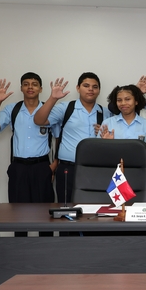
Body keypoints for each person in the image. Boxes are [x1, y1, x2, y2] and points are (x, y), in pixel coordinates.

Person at [34, 72, 110, 204]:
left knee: (94, 206)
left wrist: (104, 135)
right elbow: (39, 120)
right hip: (68, 168)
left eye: (95, 87)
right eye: (86, 86)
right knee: (66, 207)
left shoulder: (105, 112)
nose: (91, 89)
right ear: (78, 88)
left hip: (96, 169)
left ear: (99, 90)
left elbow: (114, 139)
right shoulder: (66, 108)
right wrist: (53, 98)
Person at [0, 73, 54, 203]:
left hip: (42, 166)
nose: (30, 87)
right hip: (19, 167)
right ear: (21, 88)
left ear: (40, 89)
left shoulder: (49, 110)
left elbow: (58, 137)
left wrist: (53, 167)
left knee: (43, 207)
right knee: (18, 207)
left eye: (34, 84)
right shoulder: (13, 109)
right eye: (26, 84)